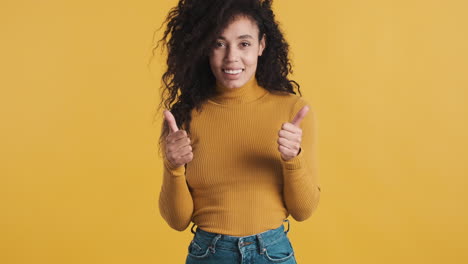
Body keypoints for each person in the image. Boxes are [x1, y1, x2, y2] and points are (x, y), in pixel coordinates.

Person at [154, 0, 321, 263]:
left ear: (261, 46)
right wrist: (173, 166)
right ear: (205, 48)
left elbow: (303, 211)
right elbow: (177, 221)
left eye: (244, 43)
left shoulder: (293, 111)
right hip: (209, 253)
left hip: (272, 253)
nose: (232, 57)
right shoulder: (183, 117)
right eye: (219, 44)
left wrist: (293, 160)